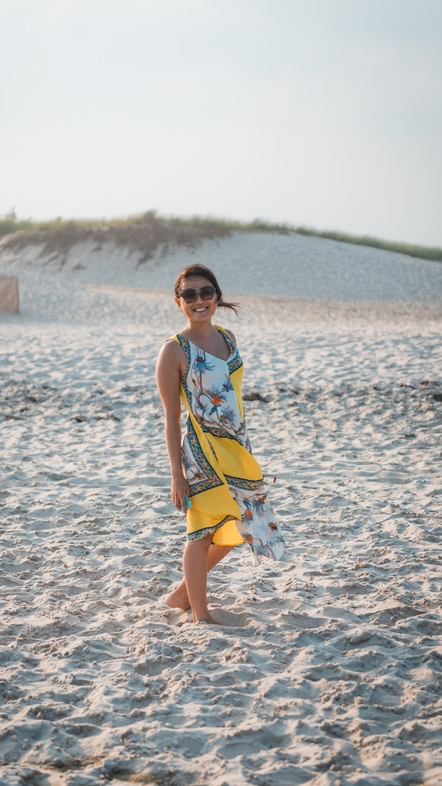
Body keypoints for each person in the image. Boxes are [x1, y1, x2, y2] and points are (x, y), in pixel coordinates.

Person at [156, 264, 285, 625]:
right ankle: (200, 615)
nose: (200, 300)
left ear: (217, 295)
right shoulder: (173, 351)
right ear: (178, 302)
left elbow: (234, 398)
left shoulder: (229, 338)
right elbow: (170, 417)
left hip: (237, 447)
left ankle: (182, 592)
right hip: (201, 452)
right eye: (190, 295)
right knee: (201, 531)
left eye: (206, 292)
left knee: (237, 527)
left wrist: (244, 446)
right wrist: (176, 474)